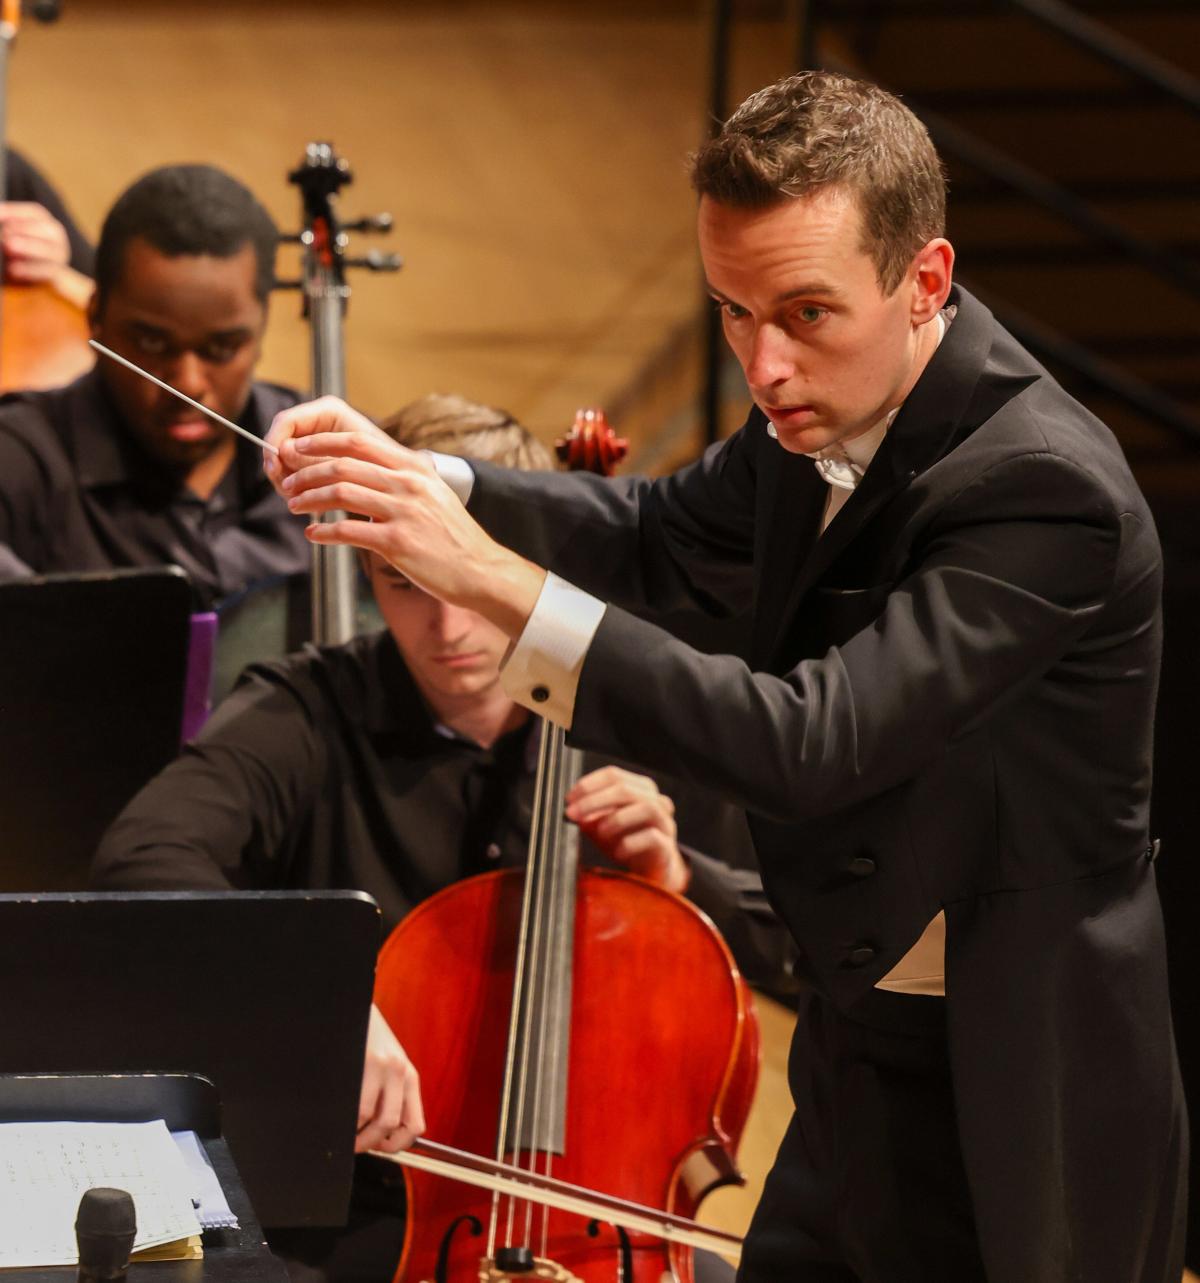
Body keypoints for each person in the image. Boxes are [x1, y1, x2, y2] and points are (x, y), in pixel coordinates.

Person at [264, 71, 1186, 1283]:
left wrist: (486, 576)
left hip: (1024, 1075)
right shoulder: (815, 407)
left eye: (804, 313)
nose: (764, 365)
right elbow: (656, 532)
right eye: (732, 313)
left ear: (926, 280)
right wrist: (447, 485)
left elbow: (810, 744)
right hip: (865, 1041)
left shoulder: (1047, 490)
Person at [93, 393, 790, 1283]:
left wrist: (680, 878)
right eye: (404, 584)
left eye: (469, 582)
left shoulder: (642, 709)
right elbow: (142, 855)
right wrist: (326, 1001)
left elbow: (794, 940)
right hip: (366, 1214)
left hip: (606, 1225)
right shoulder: (312, 708)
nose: (450, 626)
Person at [0, 163, 307, 607]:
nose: (188, 383)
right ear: (96, 316)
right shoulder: (24, 458)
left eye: (221, 348)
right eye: (151, 343)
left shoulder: (338, 457)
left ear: (261, 327)